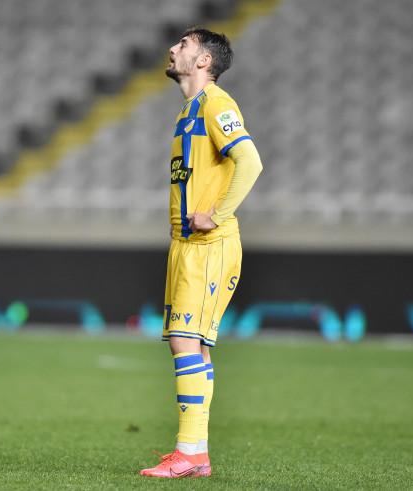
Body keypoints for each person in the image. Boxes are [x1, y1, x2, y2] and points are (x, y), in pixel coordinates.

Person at [139, 27, 263, 479]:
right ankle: (195, 453)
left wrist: (217, 213)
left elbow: (251, 161)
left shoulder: (216, 104)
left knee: (184, 341)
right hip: (186, 246)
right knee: (193, 344)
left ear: (204, 61)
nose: (173, 49)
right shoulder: (188, 110)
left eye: (184, 45)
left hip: (209, 245)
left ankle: (189, 453)